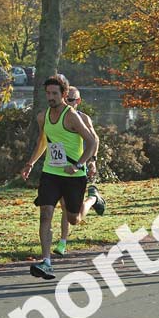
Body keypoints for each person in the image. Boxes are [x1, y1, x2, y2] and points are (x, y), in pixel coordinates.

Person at [20, 75, 98, 280]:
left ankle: (93, 199)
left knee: (74, 218)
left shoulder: (71, 116)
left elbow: (91, 142)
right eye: (48, 93)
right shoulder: (42, 116)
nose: (51, 97)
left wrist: (79, 164)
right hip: (50, 173)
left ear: (64, 94)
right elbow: (42, 141)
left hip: (73, 176)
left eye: (55, 93)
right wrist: (31, 163)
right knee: (46, 213)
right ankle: (46, 262)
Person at [53, 86, 105, 256]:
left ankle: (93, 199)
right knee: (64, 207)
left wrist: (92, 161)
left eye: (71, 100)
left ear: (78, 101)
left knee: (73, 217)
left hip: (76, 168)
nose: (67, 103)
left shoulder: (83, 118)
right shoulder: (53, 116)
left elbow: (94, 140)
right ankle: (62, 243)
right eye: (66, 99)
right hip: (57, 168)